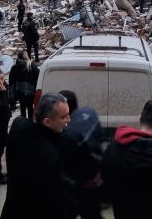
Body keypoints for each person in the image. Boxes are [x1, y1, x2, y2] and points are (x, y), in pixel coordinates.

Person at [1, 93, 71, 219]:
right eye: (64, 117)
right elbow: (58, 202)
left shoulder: (18, 126)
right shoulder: (50, 157)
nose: (69, 120)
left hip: (12, 210)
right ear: (47, 121)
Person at [58, 91, 104, 219]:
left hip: (80, 184)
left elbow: (66, 162)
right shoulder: (90, 113)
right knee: (93, 213)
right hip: (96, 179)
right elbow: (101, 137)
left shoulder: (69, 132)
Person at [8, 51, 39, 119]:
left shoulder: (14, 67)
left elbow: (11, 82)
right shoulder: (32, 65)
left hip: (20, 92)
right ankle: (30, 124)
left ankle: (23, 122)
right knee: (30, 108)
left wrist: (12, 98)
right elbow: (38, 79)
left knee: (22, 108)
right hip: (30, 92)